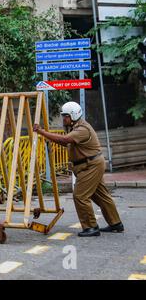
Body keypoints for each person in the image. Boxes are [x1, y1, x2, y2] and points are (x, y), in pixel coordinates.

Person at [33, 101, 123, 237]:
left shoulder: (82, 129)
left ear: (74, 115)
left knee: (80, 196)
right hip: (89, 164)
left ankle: (91, 227)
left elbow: (65, 140)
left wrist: (42, 132)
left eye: (66, 116)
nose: (64, 118)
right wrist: (48, 136)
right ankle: (116, 224)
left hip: (90, 165)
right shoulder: (74, 127)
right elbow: (67, 142)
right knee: (101, 196)